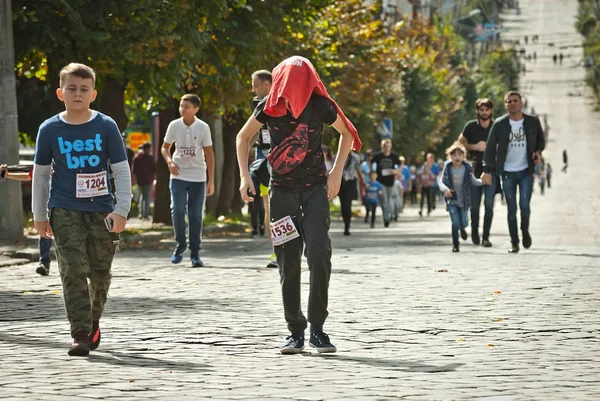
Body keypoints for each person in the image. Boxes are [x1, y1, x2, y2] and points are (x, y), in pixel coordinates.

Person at [235, 55, 361, 355]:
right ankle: (295, 331)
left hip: (316, 190)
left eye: (299, 81)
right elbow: (242, 138)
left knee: (319, 254)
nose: (292, 87)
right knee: (287, 262)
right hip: (281, 192)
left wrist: (336, 172)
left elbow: (347, 134)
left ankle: (317, 328)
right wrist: (244, 177)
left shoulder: (320, 106)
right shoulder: (268, 106)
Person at [31, 63, 132, 356]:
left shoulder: (106, 126)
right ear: (60, 93)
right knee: (72, 270)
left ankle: (92, 320)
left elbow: (121, 170)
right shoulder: (49, 129)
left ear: (93, 94)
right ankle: (79, 333)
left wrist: (122, 210)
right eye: (72, 88)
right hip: (64, 209)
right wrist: (39, 215)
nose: (77, 94)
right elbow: (40, 174)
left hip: (102, 210)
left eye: (84, 89)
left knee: (100, 274)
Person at [482, 91, 545, 254]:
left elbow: (540, 141)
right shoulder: (500, 124)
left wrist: (538, 152)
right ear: (505, 105)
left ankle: (524, 230)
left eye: (515, 101)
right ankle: (514, 242)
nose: (512, 103)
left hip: (525, 171)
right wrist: (487, 170)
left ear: (521, 103)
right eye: (508, 101)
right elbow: (489, 148)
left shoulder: (532, 121)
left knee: (524, 205)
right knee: (511, 208)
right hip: (507, 172)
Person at [161, 94, 215, 267]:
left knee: (195, 215)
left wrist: (211, 180)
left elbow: (209, 154)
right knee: (176, 210)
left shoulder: (203, 127)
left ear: (195, 109)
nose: (182, 109)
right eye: (181, 106)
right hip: (178, 175)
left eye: (186, 106)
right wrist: (170, 162)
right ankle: (180, 244)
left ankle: (195, 253)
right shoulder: (174, 125)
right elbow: (165, 148)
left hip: (198, 176)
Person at [0, 164, 52, 275]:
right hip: (46, 205)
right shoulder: (44, 162)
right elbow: (29, 176)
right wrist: (8, 175)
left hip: (66, 204)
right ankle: (44, 263)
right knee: (45, 233)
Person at [458, 98, 496, 247]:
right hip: (474, 171)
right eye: (482, 110)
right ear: (477, 111)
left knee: (489, 204)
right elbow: (459, 144)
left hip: (491, 171)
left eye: (487, 110)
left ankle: (486, 237)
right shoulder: (470, 127)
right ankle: (475, 231)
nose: (484, 113)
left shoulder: (496, 126)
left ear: (491, 111)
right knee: (474, 205)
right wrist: (475, 146)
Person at [249, 69, 277, 267]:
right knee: (268, 205)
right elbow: (251, 133)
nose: (253, 89)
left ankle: (292, 247)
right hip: (263, 159)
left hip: (283, 159)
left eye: (255, 85)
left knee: (284, 205)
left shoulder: (284, 101)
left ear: (267, 84)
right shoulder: (258, 105)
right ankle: (276, 251)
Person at [439, 142, 483, 252]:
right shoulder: (448, 167)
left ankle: (462, 228)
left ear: (463, 156)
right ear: (450, 156)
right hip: (452, 200)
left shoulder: (466, 168)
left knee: (464, 222)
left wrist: (483, 181)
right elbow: (441, 182)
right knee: (455, 222)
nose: (457, 157)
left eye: (459, 155)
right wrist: (446, 190)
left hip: (463, 201)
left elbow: (473, 181)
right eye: (454, 155)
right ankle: (455, 244)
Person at [371, 139, 400, 227]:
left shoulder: (394, 156)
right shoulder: (378, 156)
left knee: (389, 201)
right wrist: (373, 173)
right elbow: (371, 164)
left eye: (388, 146)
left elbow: (399, 166)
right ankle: (386, 218)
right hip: (380, 182)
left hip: (391, 181)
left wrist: (396, 171)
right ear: (382, 146)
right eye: (384, 146)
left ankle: (390, 215)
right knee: (384, 201)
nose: (386, 148)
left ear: (390, 146)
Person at [338, 150, 365, 235]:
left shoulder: (355, 157)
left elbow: (358, 170)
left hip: (351, 182)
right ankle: (345, 220)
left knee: (348, 203)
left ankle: (347, 225)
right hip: (341, 182)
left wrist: (363, 182)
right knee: (343, 204)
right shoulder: (338, 155)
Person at [131, 142, 156, 220]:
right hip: (148, 180)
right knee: (147, 197)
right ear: (148, 149)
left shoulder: (137, 157)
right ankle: (145, 214)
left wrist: (135, 178)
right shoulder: (150, 158)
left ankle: (141, 213)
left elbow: (134, 170)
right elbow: (155, 168)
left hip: (140, 180)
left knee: (142, 196)